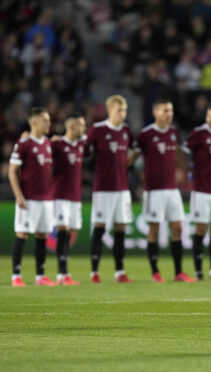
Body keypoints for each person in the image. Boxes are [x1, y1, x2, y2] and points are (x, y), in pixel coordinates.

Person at [129, 99, 195, 283]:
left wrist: (188, 168)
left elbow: (176, 155)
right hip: (154, 190)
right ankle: (155, 272)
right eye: (166, 110)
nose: (169, 114)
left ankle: (178, 272)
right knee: (154, 229)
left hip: (172, 188)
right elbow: (133, 157)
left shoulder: (174, 133)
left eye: (171, 110)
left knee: (178, 227)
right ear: (156, 112)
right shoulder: (146, 134)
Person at [86, 95, 134, 283]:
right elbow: (85, 150)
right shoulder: (97, 130)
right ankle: (94, 272)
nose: (122, 114)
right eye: (119, 110)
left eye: (124, 110)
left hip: (122, 189)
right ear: (109, 110)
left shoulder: (126, 131)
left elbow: (131, 154)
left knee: (120, 228)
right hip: (103, 188)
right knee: (100, 228)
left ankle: (119, 272)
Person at [182, 102, 211, 281]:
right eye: (208, 116)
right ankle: (198, 271)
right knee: (201, 228)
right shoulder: (198, 133)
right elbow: (182, 152)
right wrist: (189, 169)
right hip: (201, 190)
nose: (210, 119)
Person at [9, 107, 56, 287]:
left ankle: (40, 276)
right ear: (35, 122)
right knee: (22, 235)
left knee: (42, 236)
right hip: (28, 199)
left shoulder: (48, 143)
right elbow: (12, 171)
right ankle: (16, 276)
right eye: (45, 120)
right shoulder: (23, 144)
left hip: (45, 199)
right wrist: (19, 196)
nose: (49, 123)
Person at [50, 114, 87, 285]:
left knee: (68, 233)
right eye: (81, 125)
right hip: (60, 195)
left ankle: (65, 274)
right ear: (71, 127)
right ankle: (61, 274)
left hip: (75, 197)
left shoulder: (80, 145)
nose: (84, 129)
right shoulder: (56, 145)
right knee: (63, 233)